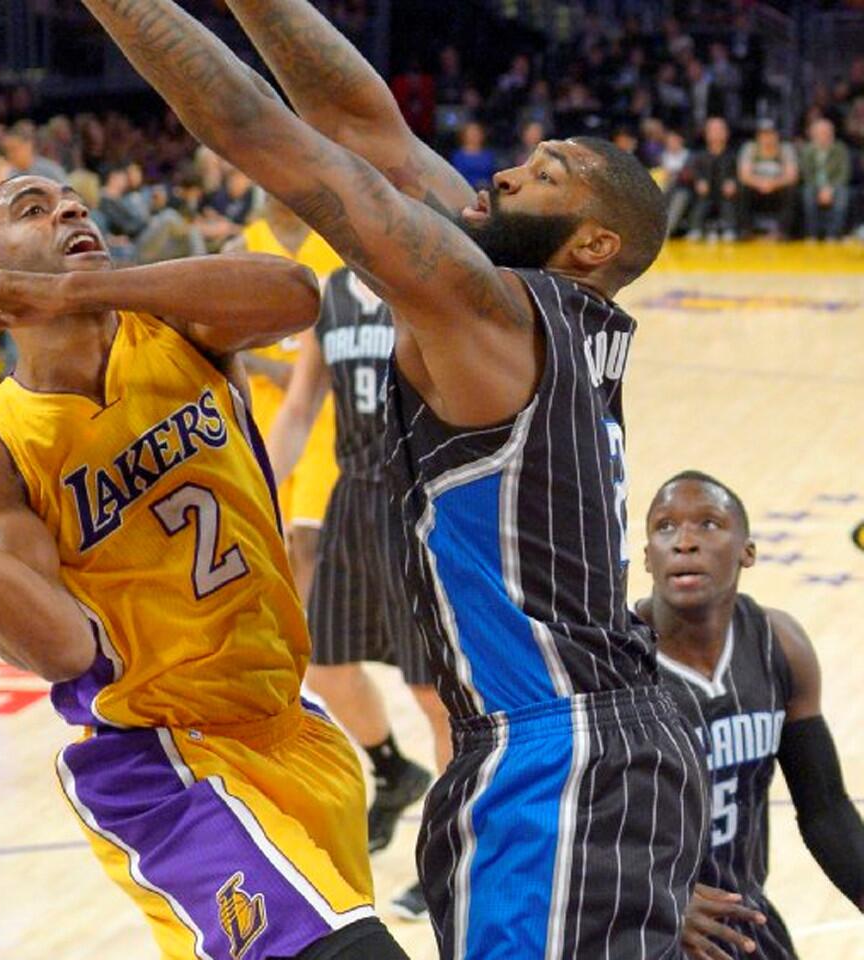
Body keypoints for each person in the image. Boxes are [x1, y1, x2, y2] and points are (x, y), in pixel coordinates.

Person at [83, 2, 706, 957]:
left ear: (590, 246)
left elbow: (260, 132)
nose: (501, 173)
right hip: (558, 741)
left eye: (545, 177)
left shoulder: (488, 308)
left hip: (560, 749)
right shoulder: (535, 309)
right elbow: (359, 128)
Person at [0, 174, 407, 959]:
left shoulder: (179, 325)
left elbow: (296, 294)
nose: (70, 210)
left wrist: (83, 287)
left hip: (293, 727)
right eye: (33, 209)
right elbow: (60, 650)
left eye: (72, 201)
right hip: (163, 764)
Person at [267, 264, 452, 920]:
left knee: (433, 692)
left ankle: (451, 859)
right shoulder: (333, 296)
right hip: (352, 497)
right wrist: (256, 491)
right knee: (327, 666)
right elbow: (299, 408)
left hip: (420, 499)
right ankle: (394, 771)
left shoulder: (424, 281)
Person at [637, 472, 864, 959]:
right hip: (638, 925)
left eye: (709, 524)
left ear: (747, 552)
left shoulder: (777, 644)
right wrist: (652, 898)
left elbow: (824, 809)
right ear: (647, 559)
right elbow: (562, 819)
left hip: (742, 922)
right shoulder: (612, 661)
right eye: (665, 527)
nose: (685, 542)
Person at [232, 197, 342, 604]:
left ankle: (311, 641)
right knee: (274, 537)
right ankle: (279, 632)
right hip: (265, 407)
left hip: (325, 409)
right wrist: (268, 368)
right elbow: (211, 339)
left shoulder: (337, 247)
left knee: (312, 536)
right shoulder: (242, 249)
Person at [737, 120, 798, 240]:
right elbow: (744, 175)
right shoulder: (750, 148)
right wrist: (760, 183)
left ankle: (782, 231)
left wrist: (773, 184)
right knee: (742, 188)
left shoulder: (786, 148)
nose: (767, 138)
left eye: (771, 134)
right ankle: (746, 230)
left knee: (791, 190)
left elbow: (792, 176)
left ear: (777, 136)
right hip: (756, 190)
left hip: (777, 190)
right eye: (764, 135)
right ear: (758, 137)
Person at [688, 117, 739, 242]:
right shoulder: (698, 155)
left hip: (726, 194)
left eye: (720, 129)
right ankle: (695, 228)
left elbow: (740, 173)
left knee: (729, 200)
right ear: (706, 133)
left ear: (727, 133)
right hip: (704, 193)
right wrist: (698, 181)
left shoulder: (734, 155)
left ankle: (729, 228)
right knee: (700, 200)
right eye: (713, 130)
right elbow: (692, 172)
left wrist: (734, 182)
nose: (716, 133)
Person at [800, 118, 851, 242]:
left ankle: (832, 235)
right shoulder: (807, 150)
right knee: (808, 193)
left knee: (842, 194)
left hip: (835, 185)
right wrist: (820, 189)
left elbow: (844, 173)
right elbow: (806, 174)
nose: (824, 135)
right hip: (814, 185)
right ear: (813, 134)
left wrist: (829, 189)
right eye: (821, 132)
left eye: (827, 132)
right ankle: (811, 234)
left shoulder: (840, 149)